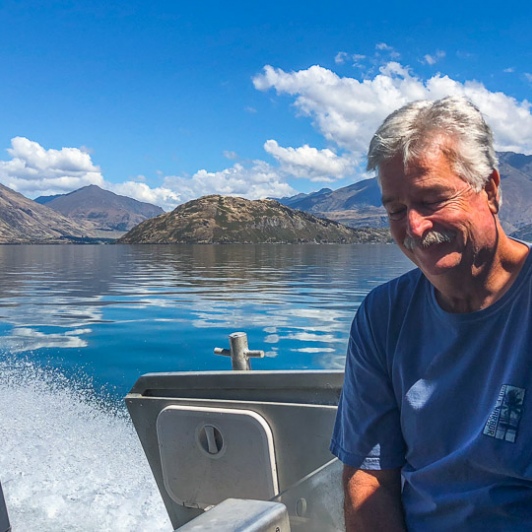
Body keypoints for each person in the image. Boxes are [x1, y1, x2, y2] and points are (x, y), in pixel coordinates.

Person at [330, 96, 532, 531]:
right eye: (397, 210)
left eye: (433, 199)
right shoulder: (383, 316)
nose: (416, 227)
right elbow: (369, 478)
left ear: (491, 190)